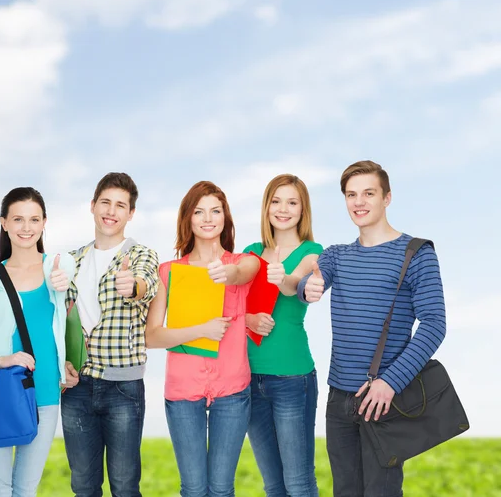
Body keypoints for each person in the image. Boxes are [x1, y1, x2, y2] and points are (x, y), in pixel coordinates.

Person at [297, 161, 446, 497]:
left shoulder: (417, 253)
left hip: (385, 400)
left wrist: (390, 383)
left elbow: (434, 324)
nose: (359, 202)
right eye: (351, 195)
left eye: (368, 193)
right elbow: (310, 281)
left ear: (386, 198)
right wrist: (307, 287)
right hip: (339, 401)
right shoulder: (338, 255)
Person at [0, 187, 76, 497]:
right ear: (3, 223)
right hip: (0, 390)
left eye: (34, 219)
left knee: (25, 490)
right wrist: (0, 359)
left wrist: (66, 364)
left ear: (45, 222)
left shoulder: (58, 266)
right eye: (18, 219)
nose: (26, 228)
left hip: (46, 392)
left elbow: (68, 290)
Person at [145, 181, 260, 497]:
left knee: (222, 488)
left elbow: (248, 270)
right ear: (188, 218)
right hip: (183, 390)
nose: (208, 218)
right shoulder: (168, 272)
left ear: (225, 217)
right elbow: (152, 336)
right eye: (199, 211)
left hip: (233, 388)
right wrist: (202, 330)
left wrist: (229, 274)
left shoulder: (242, 263)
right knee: (194, 489)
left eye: (215, 210)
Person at [61, 172, 160, 497]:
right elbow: (58, 320)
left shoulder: (140, 255)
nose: (111, 211)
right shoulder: (71, 261)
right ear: (92, 206)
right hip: (77, 389)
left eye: (121, 205)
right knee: (84, 486)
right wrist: (62, 363)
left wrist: (133, 285)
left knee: (125, 486)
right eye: (106, 202)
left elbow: (146, 284)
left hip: (123, 388)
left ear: (130, 213)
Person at [243, 174, 323, 497]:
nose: (283, 209)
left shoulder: (313, 252)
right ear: (266, 207)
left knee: (299, 484)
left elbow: (296, 286)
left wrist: (282, 278)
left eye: (292, 202)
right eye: (276, 201)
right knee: (273, 486)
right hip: (250, 378)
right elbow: (231, 308)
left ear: (303, 210)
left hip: (293, 378)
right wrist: (249, 319)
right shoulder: (250, 252)